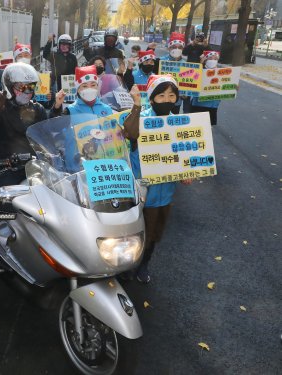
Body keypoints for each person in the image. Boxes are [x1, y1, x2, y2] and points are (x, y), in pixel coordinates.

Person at [123, 76, 193, 283]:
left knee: (153, 233)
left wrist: (186, 171)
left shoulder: (178, 122)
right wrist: (136, 105)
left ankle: (144, 264)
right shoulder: (141, 117)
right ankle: (127, 265)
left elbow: (183, 152)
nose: (167, 100)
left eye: (172, 95)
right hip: (142, 190)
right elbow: (129, 131)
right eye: (161, 95)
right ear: (152, 99)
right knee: (133, 232)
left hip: (165, 192)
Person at [0, 63, 47, 187]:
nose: (27, 91)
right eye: (21, 87)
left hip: (34, 166)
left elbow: (46, 138)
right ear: (9, 87)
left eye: (30, 87)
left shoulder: (38, 109)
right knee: (8, 202)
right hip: (6, 166)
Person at [51, 65, 114, 173]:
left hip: (102, 167)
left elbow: (113, 135)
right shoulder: (70, 111)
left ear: (97, 86)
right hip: (77, 168)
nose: (89, 89)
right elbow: (54, 128)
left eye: (93, 85)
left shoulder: (107, 109)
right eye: (84, 86)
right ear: (78, 89)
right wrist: (56, 107)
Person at [189, 51, 222, 125]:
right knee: (195, 127)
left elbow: (228, 88)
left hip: (212, 106)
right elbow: (192, 80)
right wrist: (200, 64)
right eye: (210, 58)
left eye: (215, 59)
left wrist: (234, 87)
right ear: (205, 60)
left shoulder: (222, 73)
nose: (213, 60)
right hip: (197, 104)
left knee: (208, 130)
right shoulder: (199, 71)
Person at [159, 32, 187, 114]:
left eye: (180, 47)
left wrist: (186, 94)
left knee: (173, 123)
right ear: (169, 48)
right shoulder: (160, 61)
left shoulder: (186, 65)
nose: (177, 49)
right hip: (161, 100)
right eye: (174, 47)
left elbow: (189, 83)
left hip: (176, 102)